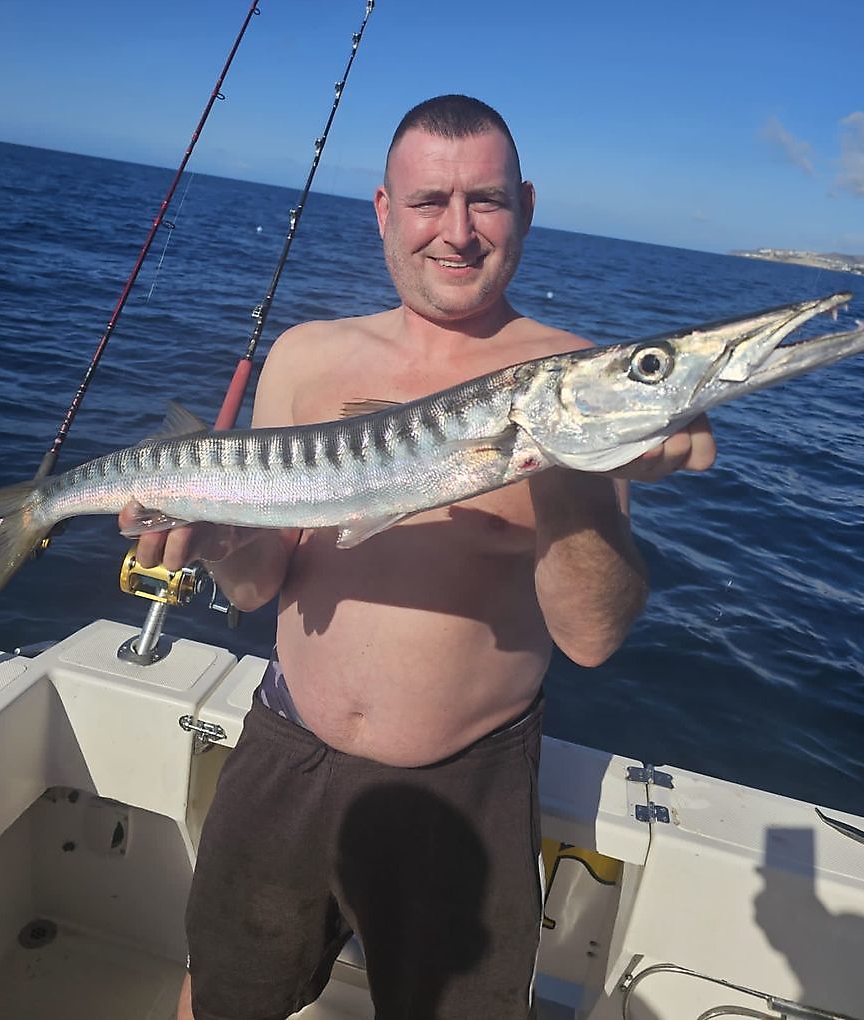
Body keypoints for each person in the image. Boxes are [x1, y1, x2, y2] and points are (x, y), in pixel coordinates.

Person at [120, 95, 715, 1020]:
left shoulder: (578, 377)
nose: (457, 231)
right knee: (222, 996)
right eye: (429, 200)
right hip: (283, 751)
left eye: (486, 200)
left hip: (466, 790)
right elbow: (258, 587)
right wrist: (221, 539)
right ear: (383, 210)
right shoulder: (306, 357)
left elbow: (591, 638)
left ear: (524, 206)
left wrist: (565, 466)